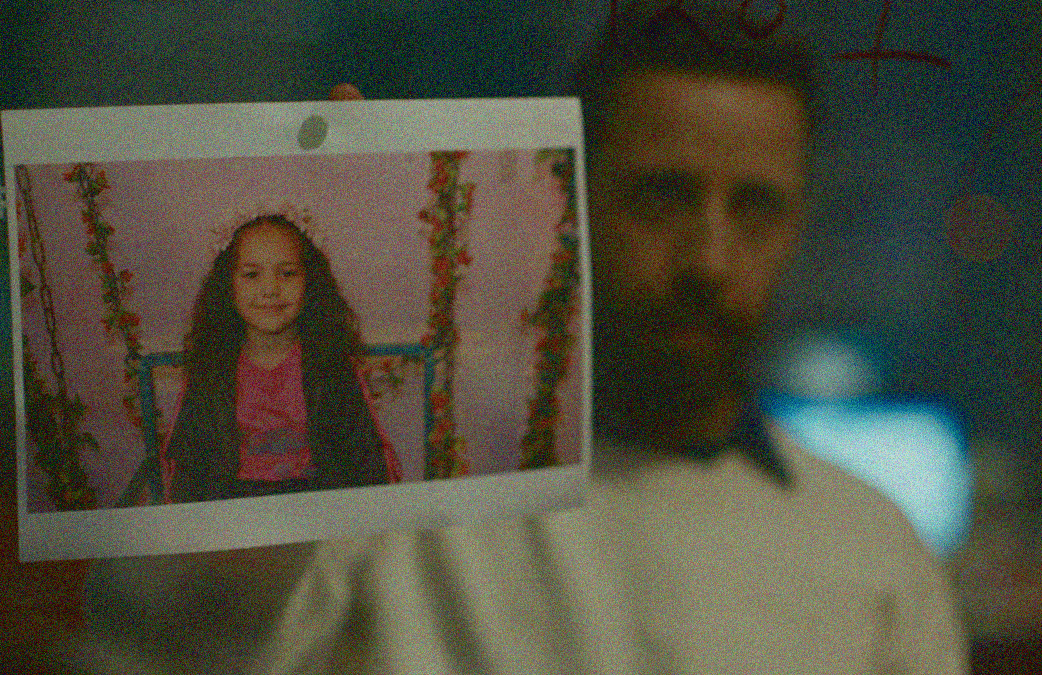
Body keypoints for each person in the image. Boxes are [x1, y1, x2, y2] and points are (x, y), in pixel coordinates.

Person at [258, 13, 970, 675]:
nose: (710, 260)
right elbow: (202, 633)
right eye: (661, 197)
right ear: (563, 200)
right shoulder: (399, 504)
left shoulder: (875, 550)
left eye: (756, 207)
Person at [162, 213, 401, 503]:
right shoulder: (210, 369)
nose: (271, 289)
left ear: (309, 281)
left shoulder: (333, 365)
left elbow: (367, 460)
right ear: (229, 285)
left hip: (317, 505)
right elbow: (188, 470)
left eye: (287, 273)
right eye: (252, 274)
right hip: (236, 509)